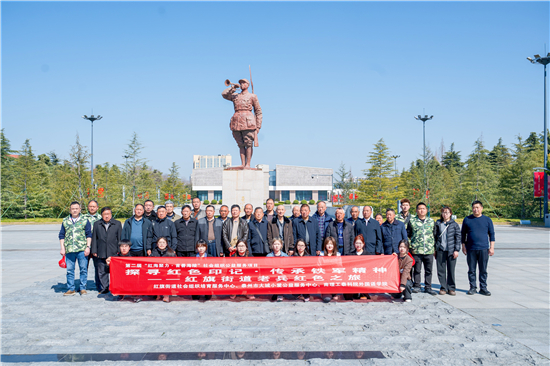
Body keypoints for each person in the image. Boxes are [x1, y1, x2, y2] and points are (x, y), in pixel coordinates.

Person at [222, 78, 262, 168]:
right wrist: (233, 88)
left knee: (248, 143)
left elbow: (258, 111)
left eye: (244, 83)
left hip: (248, 122)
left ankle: (248, 164)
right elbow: (224, 94)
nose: (242, 84)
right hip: (236, 121)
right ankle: (243, 163)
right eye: (241, 83)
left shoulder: (253, 96)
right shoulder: (235, 95)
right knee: (240, 144)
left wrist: (258, 126)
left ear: (248, 85)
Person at [461, 200, 495, 296]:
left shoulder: (487, 220)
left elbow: (491, 234)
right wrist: (463, 246)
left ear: (481, 208)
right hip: (471, 248)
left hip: (483, 248)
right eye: (474, 208)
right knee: (471, 270)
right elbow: (463, 234)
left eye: (477, 207)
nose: (475, 209)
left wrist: (491, 247)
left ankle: (483, 288)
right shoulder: (467, 219)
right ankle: (472, 287)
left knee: (483, 270)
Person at [58, 201, 92, 296]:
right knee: (69, 270)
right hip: (69, 250)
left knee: (83, 269)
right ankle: (71, 288)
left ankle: (82, 288)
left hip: (82, 249)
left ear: (80, 209)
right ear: (70, 210)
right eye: (73, 209)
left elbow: (89, 234)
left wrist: (88, 247)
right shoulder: (65, 221)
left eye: (77, 208)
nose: (75, 210)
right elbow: (61, 235)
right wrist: (62, 248)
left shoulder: (85, 220)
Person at [407, 202, 436, 295]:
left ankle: (428, 286)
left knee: (428, 270)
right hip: (417, 250)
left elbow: (435, 235)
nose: (421, 210)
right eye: (419, 209)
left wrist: (434, 247)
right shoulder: (412, 221)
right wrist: (411, 247)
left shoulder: (431, 221)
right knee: (417, 270)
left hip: (429, 250)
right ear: (416, 211)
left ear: (426, 210)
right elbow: (408, 235)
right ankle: (417, 286)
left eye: (423, 208)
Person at [91, 207, 122, 294]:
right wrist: (94, 250)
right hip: (101, 251)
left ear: (111, 215)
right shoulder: (97, 224)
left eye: (108, 214)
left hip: (113, 251)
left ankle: (114, 287)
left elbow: (120, 238)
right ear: (101, 215)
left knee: (114, 271)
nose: (107, 216)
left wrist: (119, 250)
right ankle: (104, 287)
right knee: (101, 271)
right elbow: (94, 238)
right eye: (105, 214)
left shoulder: (117, 224)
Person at [434, 206, 461, 296]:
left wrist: (456, 250)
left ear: (450, 214)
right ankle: (443, 287)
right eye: (443, 212)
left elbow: (458, 238)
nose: (445, 214)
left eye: (447, 212)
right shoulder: (438, 223)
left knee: (451, 270)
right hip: (440, 250)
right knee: (441, 270)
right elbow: (434, 237)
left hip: (451, 250)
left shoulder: (454, 224)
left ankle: (451, 288)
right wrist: (435, 249)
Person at [344, 235, 369, 301]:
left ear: (363, 244)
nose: (358, 245)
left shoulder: (368, 255)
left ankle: (362, 293)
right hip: (353, 278)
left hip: (364, 278)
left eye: (360, 243)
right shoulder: (350, 255)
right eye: (356, 243)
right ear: (354, 244)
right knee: (348, 297)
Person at [150, 237, 175, 302]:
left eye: (163, 242)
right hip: (157, 273)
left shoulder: (171, 252)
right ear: (157, 244)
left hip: (167, 273)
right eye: (160, 242)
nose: (162, 244)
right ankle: (158, 294)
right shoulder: (154, 252)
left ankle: (166, 295)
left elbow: (175, 264)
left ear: (166, 244)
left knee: (166, 277)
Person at [82, 199, 101, 290]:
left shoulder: (101, 218)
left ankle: (99, 286)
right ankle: (83, 286)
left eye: (94, 206)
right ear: (88, 207)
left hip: (97, 246)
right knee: (84, 266)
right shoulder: (83, 218)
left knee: (98, 267)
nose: (92, 208)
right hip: (85, 245)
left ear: (97, 207)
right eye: (90, 206)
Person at [266, 238, 289, 302]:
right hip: (272, 274)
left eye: (278, 244)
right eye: (275, 244)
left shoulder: (285, 256)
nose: (276, 246)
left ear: (281, 245)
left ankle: (279, 294)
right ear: (272, 245)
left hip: (282, 275)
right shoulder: (269, 256)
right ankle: (275, 292)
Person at [319, 237, 340, 303]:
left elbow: (340, 267)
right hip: (325, 279)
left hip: (334, 278)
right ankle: (324, 293)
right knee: (326, 299)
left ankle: (334, 293)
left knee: (335, 298)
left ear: (334, 245)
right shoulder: (321, 254)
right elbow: (318, 267)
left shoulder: (338, 255)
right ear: (325, 245)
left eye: (331, 244)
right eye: (327, 244)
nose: (329, 246)